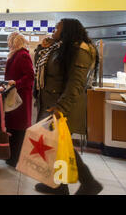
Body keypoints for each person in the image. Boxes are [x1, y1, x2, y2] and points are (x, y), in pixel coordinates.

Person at [34, 18, 102, 195]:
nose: (54, 31)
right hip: (51, 104)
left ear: (67, 31)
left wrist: (61, 107)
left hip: (63, 107)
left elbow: (76, 84)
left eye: (57, 28)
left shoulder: (80, 51)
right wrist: (42, 48)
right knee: (57, 147)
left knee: (64, 148)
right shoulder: (60, 48)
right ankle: (59, 185)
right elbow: (41, 67)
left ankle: (88, 183)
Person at [3, 31, 35, 167]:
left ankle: (15, 158)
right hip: (15, 97)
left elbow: (30, 77)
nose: (8, 44)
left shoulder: (22, 55)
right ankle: (12, 157)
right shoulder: (17, 54)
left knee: (18, 128)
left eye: (10, 41)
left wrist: (16, 83)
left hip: (20, 98)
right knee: (13, 127)